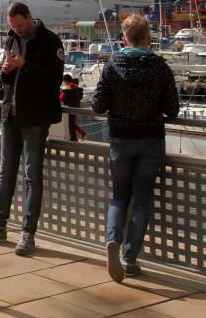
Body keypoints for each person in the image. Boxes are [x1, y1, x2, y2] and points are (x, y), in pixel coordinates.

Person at [0, 2, 64, 256]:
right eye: (13, 26)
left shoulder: (50, 41)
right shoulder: (12, 39)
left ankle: (27, 233)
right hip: (10, 114)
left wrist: (25, 65)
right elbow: (7, 80)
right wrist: (6, 71)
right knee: (6, 172)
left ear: (29, 18)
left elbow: (54, 79)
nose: (17, 30)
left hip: (35, 117)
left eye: (20, 25)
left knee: (32, 175)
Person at [92, 14, 179, 282]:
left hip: (120, 139)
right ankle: (130, 260)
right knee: (141, 201)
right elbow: (172, 110)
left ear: (124, 39)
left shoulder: (112, 65)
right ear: (148, 39)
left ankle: (112, 239)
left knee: (119, 197)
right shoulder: (160, 67)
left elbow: (97, 105)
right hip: (151, 140)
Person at [60, 76, 86, 141]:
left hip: (70, 108)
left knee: (70, 123)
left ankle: (74, 138)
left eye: (64, 81)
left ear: (66, 81)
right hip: (75, 107)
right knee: (72, 123)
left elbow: (61, 95)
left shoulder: (70, 86)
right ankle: (77, 136)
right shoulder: (75, 87)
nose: (64, 83)